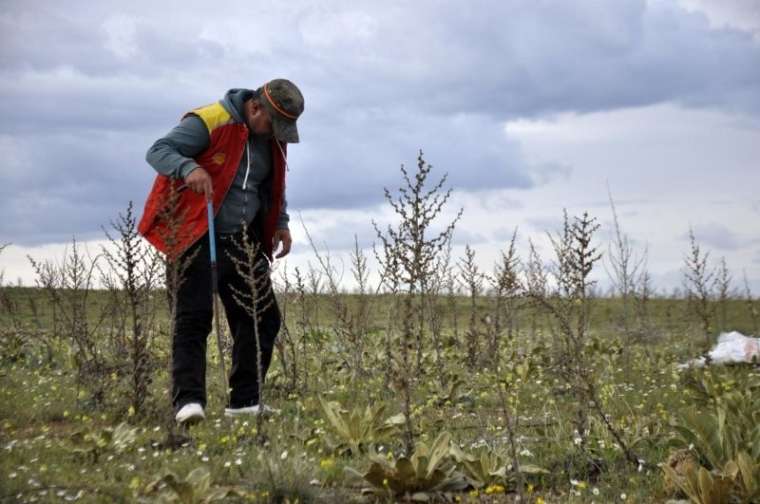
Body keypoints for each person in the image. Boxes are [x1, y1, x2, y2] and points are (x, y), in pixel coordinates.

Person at [138, 79, 304, 424]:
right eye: (275, 124)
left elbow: (272, 185)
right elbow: (158, 150)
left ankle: (245, 401)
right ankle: (189, 402)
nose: (278, 133)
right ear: (256, 108)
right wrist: (190, 168)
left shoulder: (270, 138)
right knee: (193, 319)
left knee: (262, 318)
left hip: (244, 241)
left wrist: (281, 222)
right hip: (195, 236)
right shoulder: (208, 121)